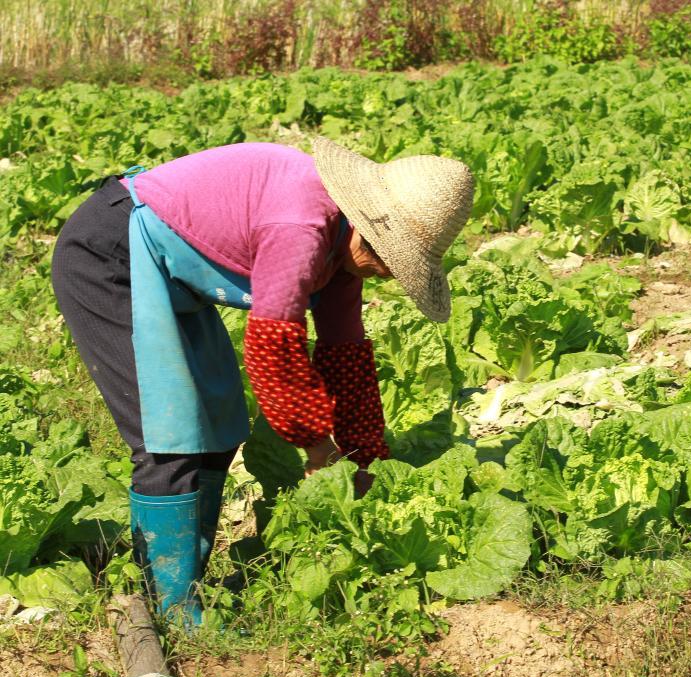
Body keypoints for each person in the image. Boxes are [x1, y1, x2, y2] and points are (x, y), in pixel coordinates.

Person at [50, 138, 475, 625]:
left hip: (170, 276)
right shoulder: (302, 227)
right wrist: (317, 445)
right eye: (390, 261)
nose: (387, 275)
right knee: (167, 439)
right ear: (368, 230)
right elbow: (273, 350)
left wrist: (364, 461)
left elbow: (347, 360)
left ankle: (187, 586)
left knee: (218, 423)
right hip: (110, 256)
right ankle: (170, 611)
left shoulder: (344, 252)